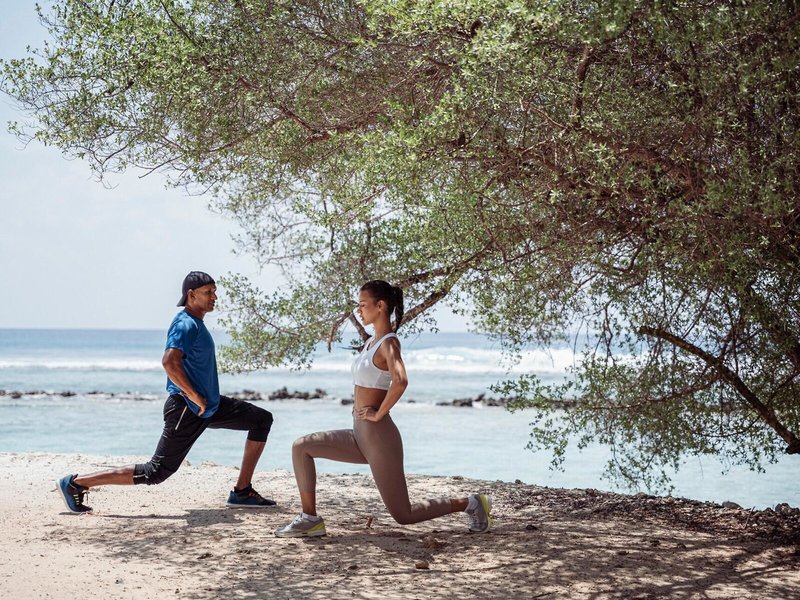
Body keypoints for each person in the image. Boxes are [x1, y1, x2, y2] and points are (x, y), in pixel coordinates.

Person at [274, 279, 492, 538]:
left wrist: (378, 413)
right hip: (360, 432)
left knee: (404, 515)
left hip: (378, 436)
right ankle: (310, 519)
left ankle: (472, 503)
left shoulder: (389, 343)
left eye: (363, 305)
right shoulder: (371, 342)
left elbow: (401, 381)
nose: (359, 310)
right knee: (302, 447)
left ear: (380, 306)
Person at [56, 271, 277, 513]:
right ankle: (75, 483)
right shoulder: (186, 324)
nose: (214, 297)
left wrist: (201, 398)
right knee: (155, 472)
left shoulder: (196, 323)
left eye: (215, 292)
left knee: (261, 419)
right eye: (208, 292)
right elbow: (169, 362)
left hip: (210, 406)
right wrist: (193, 395)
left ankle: (242, 492)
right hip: (188, 409)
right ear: (191, 295)